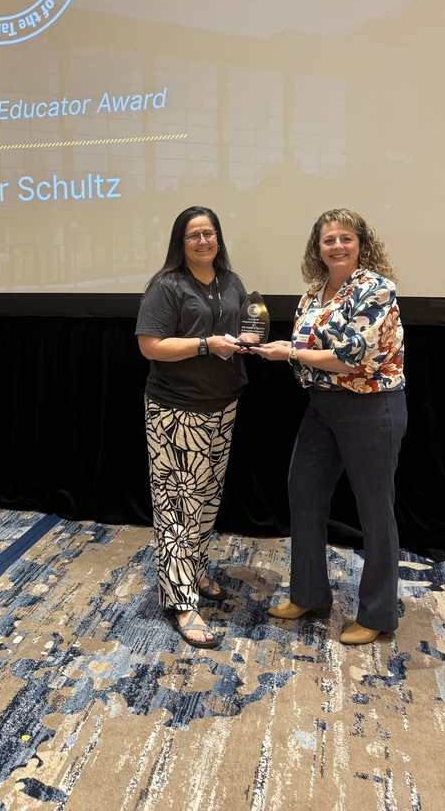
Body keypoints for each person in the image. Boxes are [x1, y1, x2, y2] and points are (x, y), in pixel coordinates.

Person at [252, 208, 406, 645]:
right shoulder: (313, 293)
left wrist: (291, 355)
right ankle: (307, 594)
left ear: (361, 243)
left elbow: (350, 357)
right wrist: (286, 349)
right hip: (322, 407)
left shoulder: (376, 288)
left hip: (371, 407)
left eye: (345, 238)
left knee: (376, 511)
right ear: (316, 248)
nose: (336, 246)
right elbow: (305, 347)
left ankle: (377, 615)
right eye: (328, 240)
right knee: (303, 495)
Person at [136, 206, 249, 649]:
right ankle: (181, 601)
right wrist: (205, 344)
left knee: (206, 499)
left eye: (210, 233)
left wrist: (248, 341)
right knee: (177, 508)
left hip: (223, 406)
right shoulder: (167, 286)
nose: (203, 241)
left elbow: (239, 331)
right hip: (176, 411)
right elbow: (151, 346)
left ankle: (196, 568)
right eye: (193, 235)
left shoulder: (232, 281)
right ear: (180, 243)